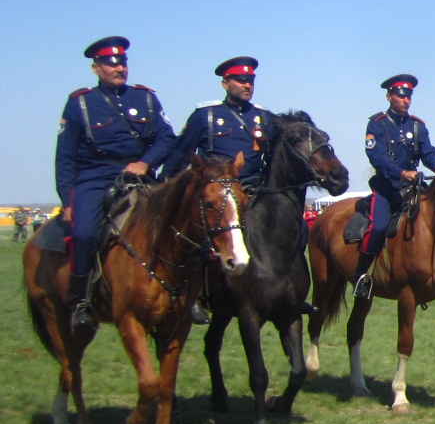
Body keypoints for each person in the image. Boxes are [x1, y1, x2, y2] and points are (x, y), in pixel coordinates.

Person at [54, 37, 177, 331]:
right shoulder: (80, 104)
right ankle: (81, 302)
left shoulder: (145, 98)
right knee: (84, 235)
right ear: (96, 68)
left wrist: (146, 163)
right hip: (96, 177)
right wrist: (67, 202)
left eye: (122, 62)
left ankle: (190, 296)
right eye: (111, 64)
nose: (119, 68)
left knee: (183, 224)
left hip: (140, 175)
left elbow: (166, 138)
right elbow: (65, 157)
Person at [353, 74, 435, 299]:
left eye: (408, 96)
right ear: (389, 96)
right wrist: (402, 173)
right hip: (387, 187)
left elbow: (427, 151)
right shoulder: (377, 124)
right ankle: (362, 275)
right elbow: (378, 157)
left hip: (413, 188)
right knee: (378, 226)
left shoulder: (417, 125)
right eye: (401, 96)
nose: (406, 101)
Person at [164, 57, 276, 188]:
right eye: (241, 81)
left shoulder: (263, 116)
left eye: (251, 82)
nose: (247, 86)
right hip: (214, 191)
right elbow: (182, 153)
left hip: (252, 191)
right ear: (225, 84)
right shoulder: (206, 115)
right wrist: (165, 183)